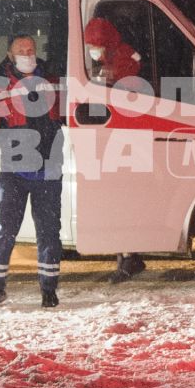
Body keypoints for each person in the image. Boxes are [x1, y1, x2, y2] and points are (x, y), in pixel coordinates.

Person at [0, 34, 64, 308]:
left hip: (49, 169)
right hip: (13, 170)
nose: (27, 53)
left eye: (31, 49)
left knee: (49, 232)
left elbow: (68, 114)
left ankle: (49, 290)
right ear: (10, 55)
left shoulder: (53, 79)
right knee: (2, 229)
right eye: (21, 50)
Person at [80, 14, 148, 284]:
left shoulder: (122, 59)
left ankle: (129, 257)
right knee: (119, 200)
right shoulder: (113, 59)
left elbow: (123, 97)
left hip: (125, 137)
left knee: (123, 199)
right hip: (118, 137)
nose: (92, 51)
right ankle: (127, 256)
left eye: (95, 46)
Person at [83, 15, 142, 86]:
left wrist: (94, 73)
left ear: (104, 45)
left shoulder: (122, 55)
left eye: (93, 46)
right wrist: (91, 72)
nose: (91, 50)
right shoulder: (109, 55)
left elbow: (115, 73)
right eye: (89, 47)